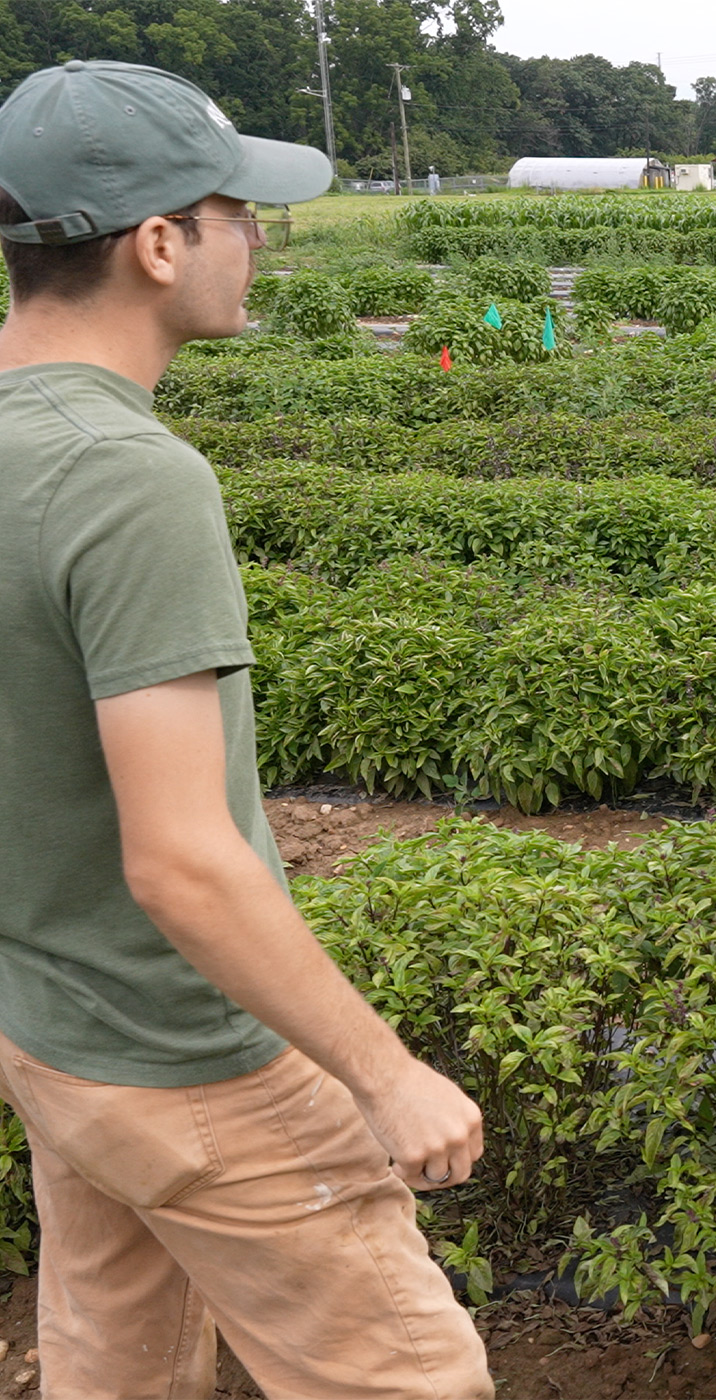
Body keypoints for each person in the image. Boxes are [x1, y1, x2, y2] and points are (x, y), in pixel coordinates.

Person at [0, 61, 492, 1397]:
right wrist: (382, 1075)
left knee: (120, 1366)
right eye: (235, 211)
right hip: (193, 1061)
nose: (258, 237)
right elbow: (182, 859)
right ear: (159, 244)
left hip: (54, 1037)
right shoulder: (128, 478)